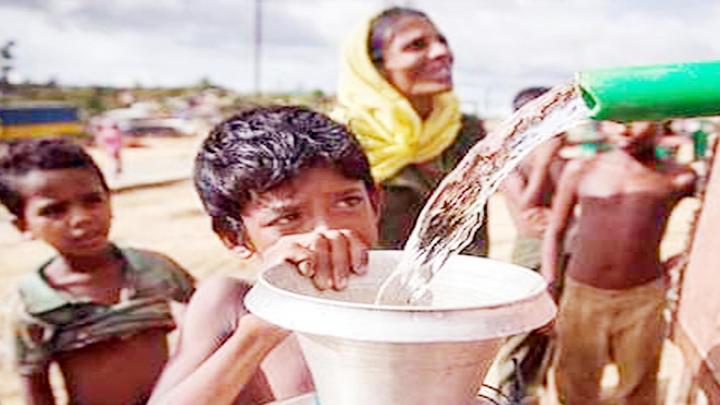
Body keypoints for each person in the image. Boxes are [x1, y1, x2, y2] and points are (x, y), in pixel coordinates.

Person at [149, 106, 380, 404]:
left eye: (348, 202)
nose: (326, 231)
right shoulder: (232, 305)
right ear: (235, 237)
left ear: (374, 204)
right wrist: (262, 327)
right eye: (288, 218)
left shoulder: (415, 295)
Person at [0, 138, 196, 405]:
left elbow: (209, 319)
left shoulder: (156, 269)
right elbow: (36, 387)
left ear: (109, 200)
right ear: (22, 224)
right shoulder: (34, 304)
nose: (81, 218)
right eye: (54, 210)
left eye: (92, 201)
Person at [541, 120, 697, 404]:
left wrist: (687, 256)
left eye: (635, 121)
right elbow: (555, 231)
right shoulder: (582, 169)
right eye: (615, 122)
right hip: (582, 294)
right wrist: (549, 286)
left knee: (639, 384)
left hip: (644, 297)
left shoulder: (677, 177)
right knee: (574, 382)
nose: (624, 130)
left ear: (662, 122)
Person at [332, 7, 488, 254]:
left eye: (442, 42)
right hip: (371, 283)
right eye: (416, 45)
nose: (442, 52)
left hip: (460, 280)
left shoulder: (464, 131)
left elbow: (475, 225)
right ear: (376, 67)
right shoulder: (342, 139)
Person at [494, 86, 566, 403]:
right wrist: (541, 163)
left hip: (564, 254)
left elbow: (566, 213)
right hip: (529, 255)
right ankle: (510, 394)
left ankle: (532, 393)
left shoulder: (564, 161)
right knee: (521, 332)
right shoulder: (512, 163)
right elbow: (526, 211)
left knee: (550, 330)